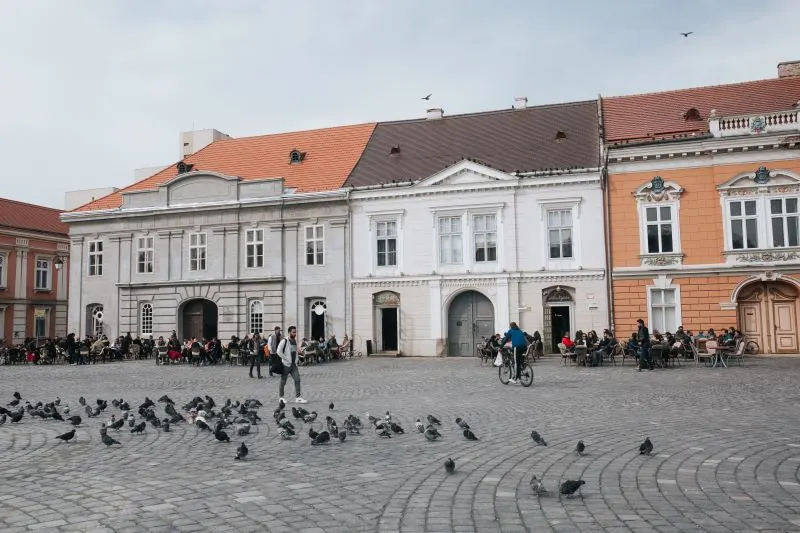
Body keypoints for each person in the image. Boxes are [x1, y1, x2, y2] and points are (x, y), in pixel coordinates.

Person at [276, 326, 306, 403]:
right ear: (289, 332)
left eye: (295, 332)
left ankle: (298, 397)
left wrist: (297, 358)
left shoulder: (294, 341)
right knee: (283, 381)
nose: (295, 333)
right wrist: (286, 359)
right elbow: (278, 351)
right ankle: (281, 397)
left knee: (297, 379)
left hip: (293, 365)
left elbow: (294, 351)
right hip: (286, 365)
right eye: (293, 332)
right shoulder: (284, 341)